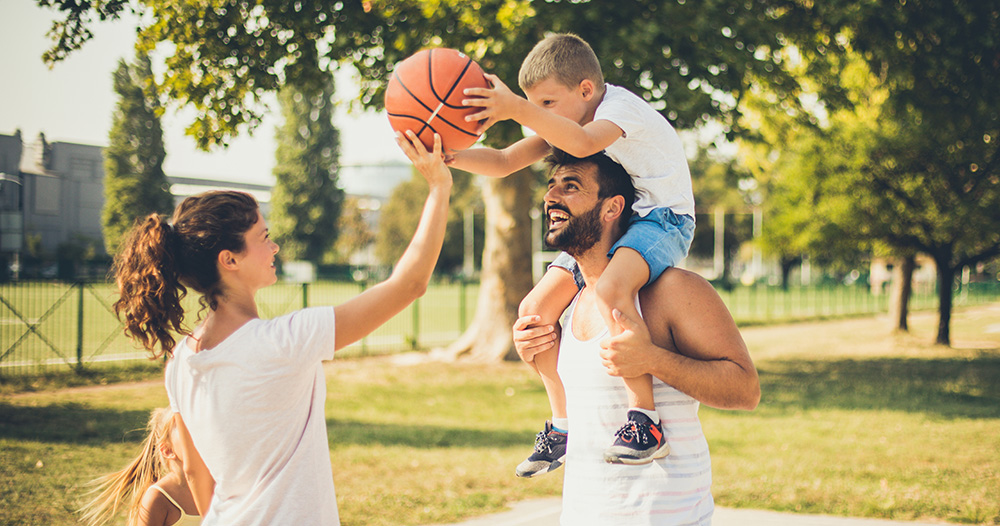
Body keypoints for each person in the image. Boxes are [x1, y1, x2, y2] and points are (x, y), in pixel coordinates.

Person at [110, 130, 453, 525]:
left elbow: (195, 473)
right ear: (230, 260)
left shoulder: (181, 363)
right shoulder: (283, 342)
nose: (274, 247)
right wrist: (438, 187)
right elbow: (409, 285)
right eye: (264, 237)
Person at [450, 33, 696, 474]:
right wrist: (446, 156)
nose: (539, 115)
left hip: (664, 219)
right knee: (534, 310)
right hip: (615, 220)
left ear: (586, 90)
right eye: (535, 105)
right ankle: (563, 426)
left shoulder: (620, 109)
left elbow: (583, 144)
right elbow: (504, 162)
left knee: (611, 289)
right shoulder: (565, 124)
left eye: (547, 103)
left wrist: (516, 108)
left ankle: (645, 420)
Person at [513, 152, 759, 524]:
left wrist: (653, 359)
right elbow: (595, 404)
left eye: (571, 186)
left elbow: (745, 390)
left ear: (612, 208)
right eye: (551, 186)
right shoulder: (568, 304)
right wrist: (535, 353)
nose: (551, 197)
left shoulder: (675, 290)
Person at [79, 407, 201, 526]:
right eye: (188, 432)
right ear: (167, 451)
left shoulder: (211, 487)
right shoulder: (158, 498)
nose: (201, 438)